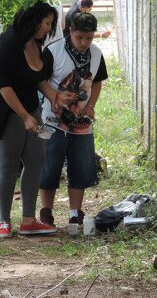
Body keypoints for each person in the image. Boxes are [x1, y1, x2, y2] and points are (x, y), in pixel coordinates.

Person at [0, 1, 75, 238]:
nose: (49, 29)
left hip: (28, 104)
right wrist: (24, 117)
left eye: (51, 24)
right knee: (9, 161)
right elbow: (4, 86)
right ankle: (3, 221)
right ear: (34, 20)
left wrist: (55, 96)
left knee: (36, 159)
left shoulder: (36, 41)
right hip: (2, 107)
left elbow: (37, 77)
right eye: (47, 23)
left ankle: (29, 220)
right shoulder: (8, 42)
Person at [39, 12, 108, 228]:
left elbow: (97, 82)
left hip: (81, 123)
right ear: (70, 31)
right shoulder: (53, 51)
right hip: (49, 119)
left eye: (89, 38)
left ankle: (75, 213)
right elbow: (40, 80)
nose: (84, 43)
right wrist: (55, 98)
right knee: (48, 166)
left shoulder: (96, 54)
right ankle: (46, 212)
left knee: (81, 165)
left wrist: (90, 106)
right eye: (79, 37)